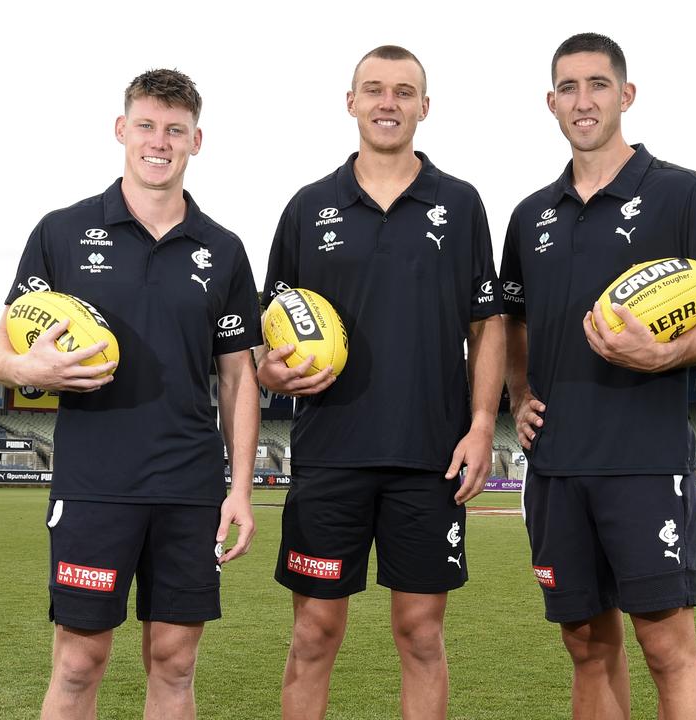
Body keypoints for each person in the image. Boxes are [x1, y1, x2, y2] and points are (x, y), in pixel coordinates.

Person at [500, 33, 696, 720]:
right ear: (551, 102)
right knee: (586, 647)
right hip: (556, 465)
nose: (582, 100)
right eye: (568, 87)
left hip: (644, 460)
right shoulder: (531, 216)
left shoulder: (679, 193)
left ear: (626, 94)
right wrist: (518, 393)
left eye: (597, 84)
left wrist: (668, 354)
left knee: (667, 647)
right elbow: (513, 323)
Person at [0, 69, 261, 720]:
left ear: (197, 141)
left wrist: (241, 488)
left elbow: (238, 377)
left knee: (175, 663)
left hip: (188, 488)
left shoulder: (222, 251)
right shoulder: (62, 232)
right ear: (121, 130)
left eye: (174, 130)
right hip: (94, 484)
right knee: (79, 663)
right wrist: (35, 371)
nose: (158, 141)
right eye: (146, 126)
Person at [257, 45, 505, 720]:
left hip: (429, 455)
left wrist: (483, 425)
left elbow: (487, 325)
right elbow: (271, 329)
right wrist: (268, 368)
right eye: (374, 89)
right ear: (351, 102)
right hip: (330, 453)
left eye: (403, 91)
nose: (388, 102)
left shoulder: (459, 204)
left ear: (425, 107)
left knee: (421, 635)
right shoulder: (309, 208)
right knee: (313, 634)